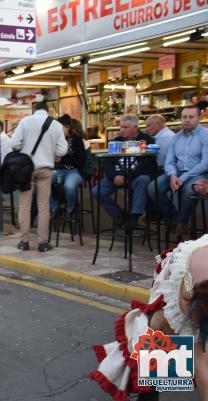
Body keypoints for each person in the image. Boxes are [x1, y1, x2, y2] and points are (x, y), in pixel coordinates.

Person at [90, 235, 208, 401]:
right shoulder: (186, 300)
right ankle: (149, 390)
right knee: (162, 336)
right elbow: (202, 363)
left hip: (198, 278)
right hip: (181, 284)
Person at [10, 101, 68, 252]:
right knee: (44, 206)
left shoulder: (25, 121)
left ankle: (24, 241)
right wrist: (51, 152)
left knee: (25, 205)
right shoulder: (56, 125)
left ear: (33, 109)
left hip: (26, 170)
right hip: (45, 169)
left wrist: (25, 149)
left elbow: (14, 143)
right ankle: (43, 243)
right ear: (47, 110)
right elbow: (62, 150)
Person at [147, 106, 208, 235]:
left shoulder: (205, 135)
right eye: (184, 117)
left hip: (198, 172)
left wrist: (183, 178)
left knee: (189, 189)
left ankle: (182, 222)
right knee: (153, 188)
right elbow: (169, 161)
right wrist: (173, 175)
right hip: (177, 172)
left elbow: (205, 164)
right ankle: (174, 218)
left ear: (199, 118)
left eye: (191, 117)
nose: (187, 120)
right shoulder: (176, 137)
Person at [92, 114, 155, 228]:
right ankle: (120, 214)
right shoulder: (116, 141)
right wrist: (114, 176)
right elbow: (107, 162)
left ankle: (135, 215)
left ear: (135, 127)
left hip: (135, 176)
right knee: (97, 191)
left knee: (143, 180)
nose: (122, 130)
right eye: (121, 127)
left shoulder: (146, 139)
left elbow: (149, 164)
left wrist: (128, 176)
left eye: (126, 127)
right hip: (117, 176)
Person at [50, 115, 86, 217]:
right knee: (43, 183)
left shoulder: (76, 140)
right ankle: (54, 208)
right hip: (59, 171)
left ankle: (70, 210)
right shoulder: (57, 140)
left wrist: (62, 159)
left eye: (59, 127)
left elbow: (80, 161)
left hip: (74, 171)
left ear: (68, 127)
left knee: (69, 187)